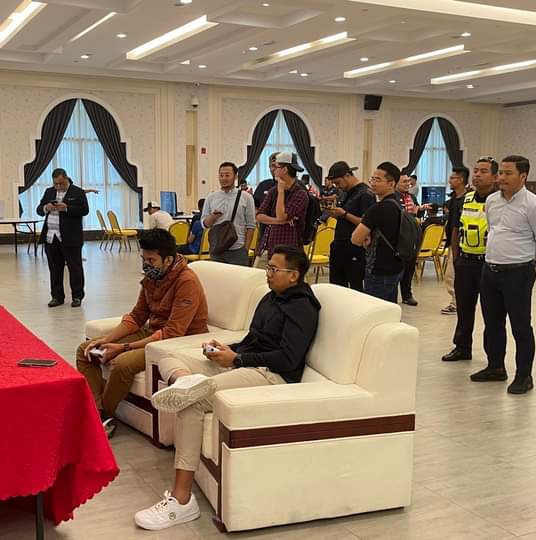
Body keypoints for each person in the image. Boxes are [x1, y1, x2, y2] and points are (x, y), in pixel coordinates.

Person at [134, 245, 320, 530]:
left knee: (193, 402)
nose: (268, 273)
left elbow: (288, 358)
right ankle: (187, 382)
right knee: (169, 357)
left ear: (293, 275)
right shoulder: (270, 298)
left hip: (271, 375)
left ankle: (182, 501)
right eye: (268, 267)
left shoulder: (302, 307)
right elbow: (254, 339)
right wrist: (226, 349)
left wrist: (238, 359)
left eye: (274, 269)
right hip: (244, 363)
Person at [76, 229, 209, 438]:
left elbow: (173, 332)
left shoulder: (187, 282)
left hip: (178, 341)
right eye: (143, 259)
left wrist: (122, 348)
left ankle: (103, 415)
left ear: (168, 260)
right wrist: (106, 340)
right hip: (153, 332)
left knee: (123, 363)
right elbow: (137, 316)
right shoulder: (152, 276)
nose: (146, 264)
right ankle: (97, 411)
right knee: (86, 350)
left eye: (151, 260)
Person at [470, 155, 536, 394]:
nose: (501, 178)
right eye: (501, 173)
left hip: (518, 273)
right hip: (490, 270)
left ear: (523, 176)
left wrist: (523, 257)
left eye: (508, 173)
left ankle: (524, 376)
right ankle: (495, 367)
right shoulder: (492, 200)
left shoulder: (534, 205)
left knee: (520, 326)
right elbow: (494, 229)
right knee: (492, 324)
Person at [442, 157, 498, 362]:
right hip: (465, 261)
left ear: (495, 176)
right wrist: (456, 258)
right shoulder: (465, 199)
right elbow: (456, 228)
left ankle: (494, 358)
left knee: (492, 312)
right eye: (476, 171)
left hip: (489, 263)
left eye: (483, 171)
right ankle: (462, 347)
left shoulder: (499, 201)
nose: (477, 175)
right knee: (464, 308)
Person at [351, 162, 404, 303]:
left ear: (391, 183)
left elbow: (355, 239)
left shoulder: (378, 208)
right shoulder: (398, 204)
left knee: (375, 309)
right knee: (389, 309)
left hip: (379, 269)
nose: (373, 183)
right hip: (396, 266)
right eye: (372, 179)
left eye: (378, 180)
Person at [36, 168, 89, 308]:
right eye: (56, 184)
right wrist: (46, 208)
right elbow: (39, 210)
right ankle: (57, 296)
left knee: (75, 268)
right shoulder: (49, 192)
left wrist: (66, 208)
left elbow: (85, 210)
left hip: (71, 237)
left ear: (66, 178)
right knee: (54, 268)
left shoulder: (77, 192)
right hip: (51, 237)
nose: (58, 186)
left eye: (61, 183)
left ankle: (77, 296)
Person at [325, 161, 375, 292]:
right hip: (340, 245)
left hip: (355, 248)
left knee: (355, 288)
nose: (337, 187)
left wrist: (344, 214)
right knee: (337, 288)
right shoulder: (346, 192)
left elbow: (366, 223)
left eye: (338, 183)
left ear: (347, 176)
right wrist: (337, 215)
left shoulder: (365, 194)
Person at [254, 152, 309, 268]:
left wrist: (281, 192)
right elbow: (259, 216)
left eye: (276, 166)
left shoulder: (300, 193)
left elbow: (281, 215)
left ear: (284, 170)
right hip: (268, 245)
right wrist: (278, 221)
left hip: (290, 250)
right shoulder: (273, 191)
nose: (273, 169)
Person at [201, 162, 256, 266]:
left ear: (235, 176)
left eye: (227, 175)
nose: (223, 178)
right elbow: (204, 224)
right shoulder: (211, 197)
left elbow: (251, 226)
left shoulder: (246, 197)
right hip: (217, 249)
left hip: (238, 249)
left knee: (239, 276)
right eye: (221, 175)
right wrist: (213, 216)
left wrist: (245, 249)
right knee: (218, 276)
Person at [395, 174, 428, 307]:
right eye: (404, 182)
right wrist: (412, 213)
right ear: (396, 183)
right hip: (398, 237)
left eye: (409, 181)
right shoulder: (394, 197)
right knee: (397, 268)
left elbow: (416, 211)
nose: (408, 184)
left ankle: (407, 295)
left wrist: (420, 210)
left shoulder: (411, 197)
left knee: (409, 268)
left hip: (412, 237)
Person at [441, 167, 471, 315]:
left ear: (461, 180)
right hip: (452, 243)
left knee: (452, 275)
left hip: (462, 244)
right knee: (450, 275)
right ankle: (456, 301)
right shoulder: (453, 199)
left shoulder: (468, 200)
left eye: (453, 178)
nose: (450, 181)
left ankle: (456, 303)